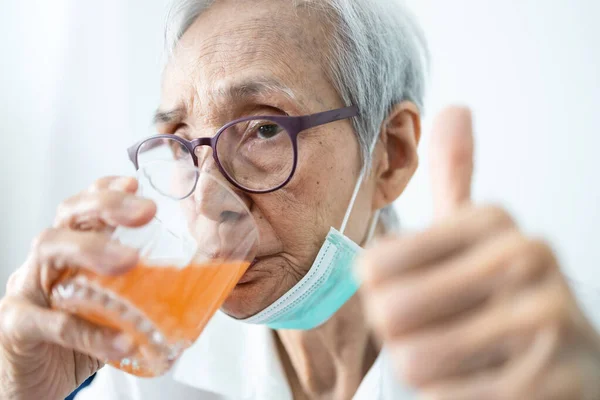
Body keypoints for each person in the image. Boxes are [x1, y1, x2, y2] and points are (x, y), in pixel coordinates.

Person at [2, 0, 600, 399]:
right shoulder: (138, 370)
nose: (207, 202)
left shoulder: (521, 351)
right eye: (183, 142)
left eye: (263, 129)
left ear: (389, 155)